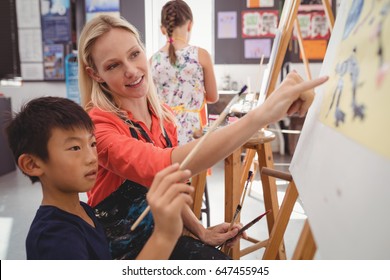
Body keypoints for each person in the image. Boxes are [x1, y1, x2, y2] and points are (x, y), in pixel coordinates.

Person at [78, 14, 328, 259]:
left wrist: (201, 231)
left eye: (134, 54)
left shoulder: (163, 117)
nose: (131, 70)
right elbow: (161, 166)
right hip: (123, 252)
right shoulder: (98, 124)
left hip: (165, 237)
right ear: (96, 74)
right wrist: (260, 116)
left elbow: (172, 185)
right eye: (113, 65)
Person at [6, 96, 195, 260]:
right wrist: (164, 236)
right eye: (75, 148)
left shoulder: (84, 211)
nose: (91, 158)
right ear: (32, 164)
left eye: (92, 143)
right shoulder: (54, 238)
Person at [150, 0, 218, 145]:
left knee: (168, 166)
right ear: (190, 24)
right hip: (193, 131)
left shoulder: (152, 61)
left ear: (163, 29)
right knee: (194, 167)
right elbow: (212, 96)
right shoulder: (201, 55)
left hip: (163, 131)